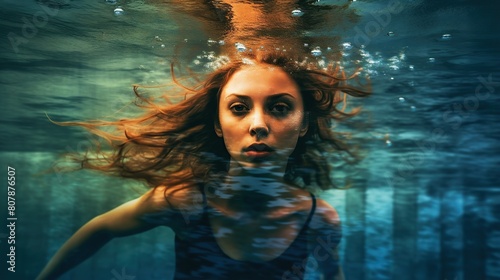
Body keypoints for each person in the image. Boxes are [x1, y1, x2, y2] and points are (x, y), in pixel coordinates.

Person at [36, 50, 369, 280]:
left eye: (280, 108)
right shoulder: (186, 204)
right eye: (239, 108)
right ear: (218, 124)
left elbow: (332, 273)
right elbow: (101, 227)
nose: (258, 124)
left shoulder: (318, 219)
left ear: (304, 123)